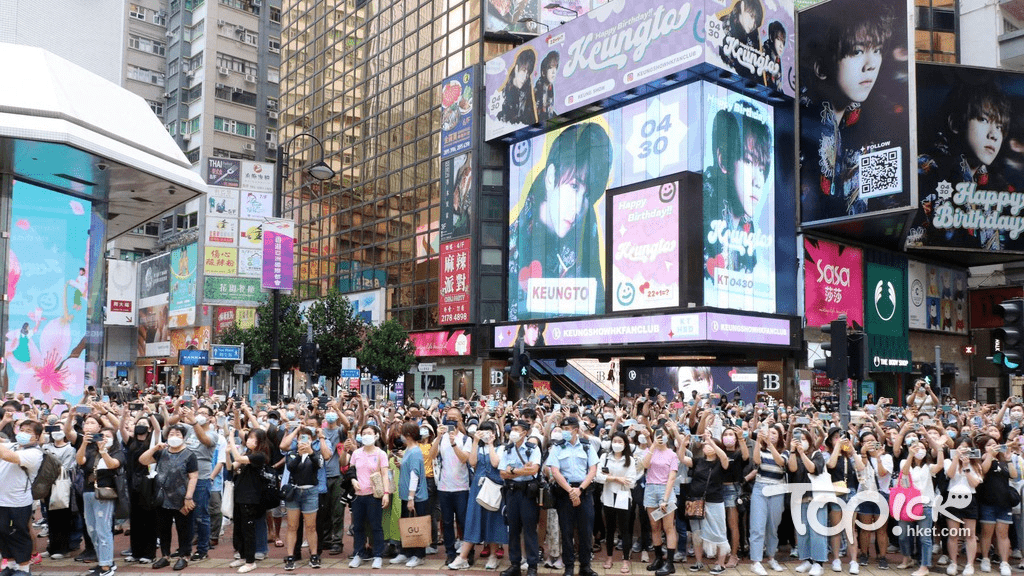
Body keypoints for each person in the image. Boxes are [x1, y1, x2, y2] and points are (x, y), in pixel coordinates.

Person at [799, 2, 902, 221]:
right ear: (821, 67)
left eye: (877, 50)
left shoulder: (877, 122)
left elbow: (885, 207)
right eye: (857, 51)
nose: (871, 64)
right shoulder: (796, 118)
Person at [508, 122, 612, 320]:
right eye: (574, 187)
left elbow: (598, 308)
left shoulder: (586, 226)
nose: (578, 205)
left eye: (586, 195)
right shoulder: (515, 241)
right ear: (550, 178)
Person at [913, 82, 1011, 249]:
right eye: (984, 119)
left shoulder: (994, 188)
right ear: (955, 123)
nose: (994, 135)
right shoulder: (927, 169)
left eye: (1000, 127)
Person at [703, 106, 772, 277]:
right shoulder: (703, 204)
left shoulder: (747, 225)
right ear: (723, 161)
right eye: (749, 162)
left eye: (762, 169)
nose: (758, 181)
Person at [140, 424, 199, 571]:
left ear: (184, 437)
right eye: (172, 433)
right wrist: (154, 448)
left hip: (181, 498)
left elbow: (193, 477)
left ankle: (184, 556)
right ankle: (165, 556)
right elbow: (143, 460)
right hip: (162, 497)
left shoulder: (189, 455)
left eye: (178, 434)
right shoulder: (161, 453)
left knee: (183, 528)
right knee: (163, 528)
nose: (174, 436)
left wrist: (189, 497)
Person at [449, 420, 507, 570]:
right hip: (478, 488)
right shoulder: (477, 447)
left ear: (495, 433)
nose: (486, 434)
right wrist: (475, 441)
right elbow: (472, 462)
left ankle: (493, 556)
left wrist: (490, 444)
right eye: (483, 431)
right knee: (473, 520)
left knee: (492, 520)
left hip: (493, 488)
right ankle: (462, 557)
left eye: (489, 431)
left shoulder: (501, 448)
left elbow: (495, 463)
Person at [547, 416, 599, 576]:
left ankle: (585, 566)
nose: (565, 432)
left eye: (568, 429)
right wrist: (570, 491)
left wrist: (580, 490)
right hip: (565, 494)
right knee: (567, 531)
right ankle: (569, 567)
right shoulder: (557, 447)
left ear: (576, 430)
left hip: (584, 492)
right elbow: (555, 471)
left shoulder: (586, 446)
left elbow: (593, 470)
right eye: (563, 429)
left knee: (585, 531)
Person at [76, 418, 126, 576]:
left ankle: (107, 566)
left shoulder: (116, 452)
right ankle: (103, 560)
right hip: (88, 492)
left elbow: (113, 465)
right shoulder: (90, 450)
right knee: (92, 530)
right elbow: (80, 461)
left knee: (103, 529)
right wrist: (84, 443)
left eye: (108, 436)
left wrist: (104, 450)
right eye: (101, 435)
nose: (104, 439)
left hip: (105, 493)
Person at [429, 406, 473, 566]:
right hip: (444, 487)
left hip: (461, 488)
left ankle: (468, 553)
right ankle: (450, 552)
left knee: (463, 521)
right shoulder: (441, 438)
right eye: (448, 418)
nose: (451, 421)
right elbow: (432, 455)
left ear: (461, 420)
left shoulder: (466, 439)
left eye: (454, 419)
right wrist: (439, 437)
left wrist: (454, 444)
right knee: (446, 522)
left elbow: (464, 459)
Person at [894, 435, 944, 576]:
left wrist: (939, 449)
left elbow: (940, 466)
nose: (920, 450)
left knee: (925, 537)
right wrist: (910, 454)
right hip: (906, 504)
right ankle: (907, 558)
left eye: (923, 448)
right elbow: (904, 473)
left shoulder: (928, 467)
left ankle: (924, 566)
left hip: (925, 504)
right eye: (917, 447)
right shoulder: (905, 461)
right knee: (903, 535)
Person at [0, 419, 43, 576]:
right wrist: (4, 421)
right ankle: (10, 565)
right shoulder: (11, 445)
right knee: (3, 533)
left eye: (29, 432)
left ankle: (24, 568)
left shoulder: (34, 453)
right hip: (2, 500)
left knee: (17, 534)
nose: (23, 433)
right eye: (22, 429)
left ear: (37, 437)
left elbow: (6, 455)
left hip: (17, 503)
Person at [499, 419, 542, 576]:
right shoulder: (508, 449)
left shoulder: (533, 449)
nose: (513, 432)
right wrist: (518, 471)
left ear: (524, 432)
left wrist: (512, 470)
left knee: (530, 530)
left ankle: (532, 566)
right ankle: (515, 564)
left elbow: (533, 471)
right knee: (513, 530)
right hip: (511, 493)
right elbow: (502, 473)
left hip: (527, 494)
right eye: (512, 429)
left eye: (517, 429)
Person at [227, 428, 271, 574]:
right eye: (249, 437)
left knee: (248, 529)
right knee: (238, 527)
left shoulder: (260, 456)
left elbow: (239, 459)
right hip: (239, 495)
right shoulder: (248, 453)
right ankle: (242, 555)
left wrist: (233, 441)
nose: (250, 440)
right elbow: (231, 466)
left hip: (251, 497)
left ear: (260, 441)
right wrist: (228, 453)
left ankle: (250, 561)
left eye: (253, 438)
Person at [281, 426, 325, 571]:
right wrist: (300, 454)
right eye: (301, 438)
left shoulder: (316, 453)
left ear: (312, 440)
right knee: (292, 526)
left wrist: (310, 452)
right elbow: (291, 467)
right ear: (297, 440)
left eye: (307, 438)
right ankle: (290, 556)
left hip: (310, 492)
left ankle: (314, 555)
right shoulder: (292, 454)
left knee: (311, 526)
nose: (304, 441)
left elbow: (319, 464)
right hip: (294, 492)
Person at [347, 424, 390, 569]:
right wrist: (353, 480)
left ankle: (378, 555)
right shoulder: (356, 453)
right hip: (358, 496)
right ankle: (358, 553)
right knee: (358, 526)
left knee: (375, 526)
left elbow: (385, 475)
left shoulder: (380, 454)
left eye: (369, 433)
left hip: (374, 495)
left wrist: (386, 494)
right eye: (363, 433)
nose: (366, 435)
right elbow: (351, 470)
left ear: (376, 435)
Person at [976, 434, 1018, 576]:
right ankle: (985, 558)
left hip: (1004, 503)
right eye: (988, 445)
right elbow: (984, 470)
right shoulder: (982, 459)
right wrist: (990, 455)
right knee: (987, 533)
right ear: (983, 448)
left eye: (994, 444)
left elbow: (1014, 475)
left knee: (1003, 534)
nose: (992, 447)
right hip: (987, 502)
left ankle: (1004, 562)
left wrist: (1008, 459)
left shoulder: (1003, 461)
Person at [123, 411, 160, 564]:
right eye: (139, 424)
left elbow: (158, 430)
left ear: (149, 428)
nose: (141, 426)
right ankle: (136, 551)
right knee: (135, 519)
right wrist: (126, 415)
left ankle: (149, 553)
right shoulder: (130, 441)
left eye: (144, 425)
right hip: (132, 483)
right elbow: (121, 429)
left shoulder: (153, 441)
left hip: (148, 483)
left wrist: (150, 413)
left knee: (149, 519)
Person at [390, 423, 428, 567]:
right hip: (407, 495)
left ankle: (418, 555)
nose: (400, 436)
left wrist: (411, 498)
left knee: (416, 526)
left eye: (402, 433)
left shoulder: (415, 452)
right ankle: (406, 552)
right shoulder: (409, 450)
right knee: (407, 524)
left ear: (408, 435)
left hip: (415, 496)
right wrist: (401, 465)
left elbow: (415, 476)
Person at [717, 0, 764, 82]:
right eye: (751, 16)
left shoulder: (753, 35)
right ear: (742, 7)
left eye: (756, 22)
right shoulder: (725, 25)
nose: (752, 24)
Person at [497, 49, 538, 126]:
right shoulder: (505, 91)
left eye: (528, 72)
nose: (525, 76)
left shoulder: (527, 89)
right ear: (516, 69)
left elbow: (531, 120)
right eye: (523, 70)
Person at [761, 21, 786, 91]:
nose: (782, 46)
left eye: (783, 42)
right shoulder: (763, 53)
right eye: (779, 40)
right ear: (772, 38)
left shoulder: (778, 59)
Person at [534, 51, 559, 122]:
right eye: (551, 68)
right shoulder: (537, 90)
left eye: (555, 68)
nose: (554, 72)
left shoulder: (550, 88)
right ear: (543, 72)